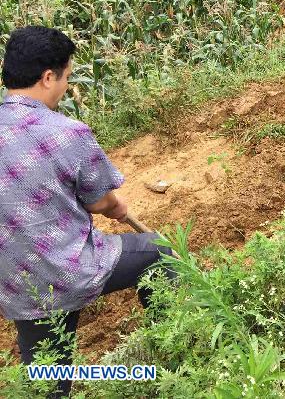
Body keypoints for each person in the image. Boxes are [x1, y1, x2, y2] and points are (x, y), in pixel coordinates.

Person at [1, 27, 173, 398]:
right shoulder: (67, 133)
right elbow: (101, 202)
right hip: (67, 269)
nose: (65, 86)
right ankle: (173, 355)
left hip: (15, 286)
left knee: (48, 382)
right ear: (48, 77)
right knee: (159, 253)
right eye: (66, 76)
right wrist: (116, 206)